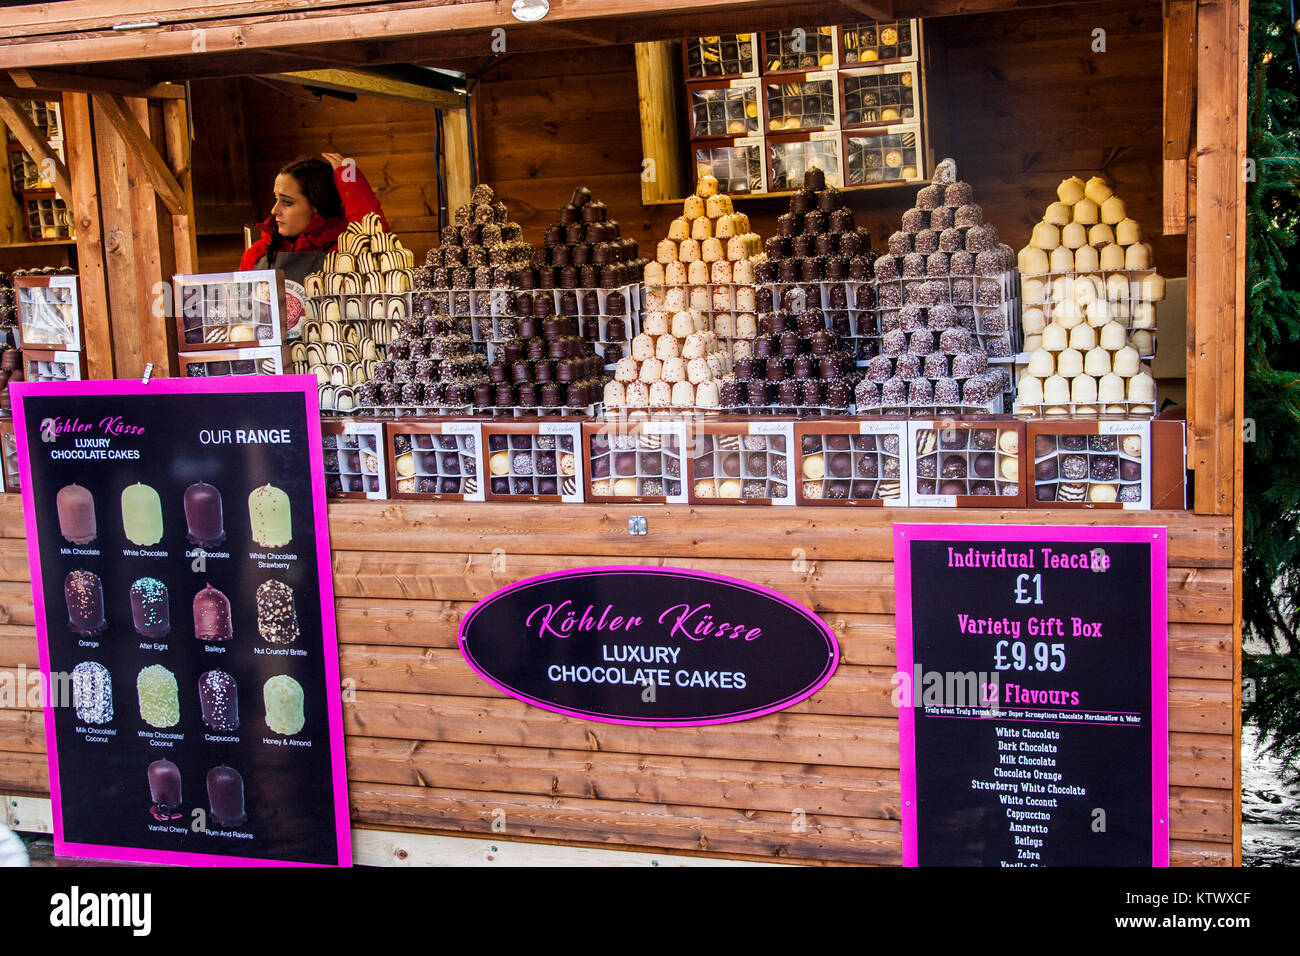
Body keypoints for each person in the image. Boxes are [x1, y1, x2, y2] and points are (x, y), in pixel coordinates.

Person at [240, 152, 388, 284]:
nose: (274, 210)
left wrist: (350, 182)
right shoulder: (258, 252)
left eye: (286, 202)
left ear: (316, 205)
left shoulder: (345, 250)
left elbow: (375, 238)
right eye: (276, 199)